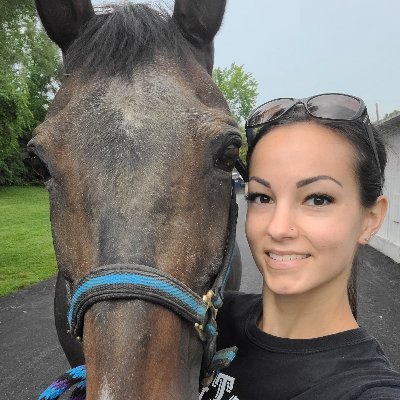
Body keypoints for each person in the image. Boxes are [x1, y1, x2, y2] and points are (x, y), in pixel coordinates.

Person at [200, 93, 400, 399]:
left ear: (371, 219)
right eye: (262, 197)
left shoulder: (366, 389)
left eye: (317, 199)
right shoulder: (207, 321)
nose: (278, 228)